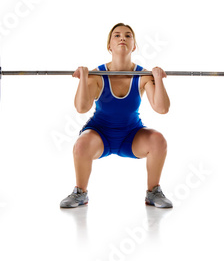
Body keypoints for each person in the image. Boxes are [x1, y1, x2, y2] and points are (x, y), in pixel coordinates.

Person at [60, 23, 172, 208]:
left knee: (158, 140)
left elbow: (162, 108)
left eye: (128, 36)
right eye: (117, 35)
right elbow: (81, 108)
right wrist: (83, 80)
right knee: (81, 145)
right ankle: (80, 193)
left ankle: (153, 193)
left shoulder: (143, 75)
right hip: (99, 134)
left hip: (131, 135)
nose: (122, 38)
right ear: (109, 45)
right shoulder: (97, 75)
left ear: (134, 45)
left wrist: (158, 79)